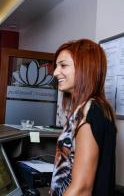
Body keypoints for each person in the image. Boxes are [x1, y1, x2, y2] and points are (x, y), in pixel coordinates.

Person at [50, 39, 116, 196]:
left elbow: (82, 189)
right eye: (56, 66)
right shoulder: (88, 108)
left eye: (63, 65)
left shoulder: (89, 111)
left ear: (84, 68)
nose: (55, 72)